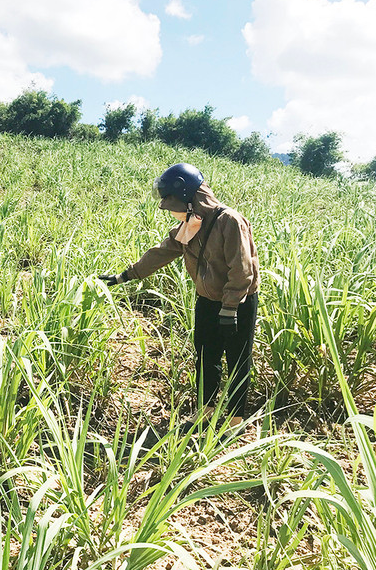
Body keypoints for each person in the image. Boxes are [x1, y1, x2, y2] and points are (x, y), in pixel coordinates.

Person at [99, 163, 259, 430]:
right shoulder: (191, 223)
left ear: (187, 197)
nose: (168, 208)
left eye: (170, 201)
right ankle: (206, 411)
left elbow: (242, 270)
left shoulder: (229, 221)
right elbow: (161, 252)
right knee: (206, 355)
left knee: (237, 358)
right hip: (207, 301)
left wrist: (230, 309)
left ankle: (235, 420)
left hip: (237, 303)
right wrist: (124, 276)